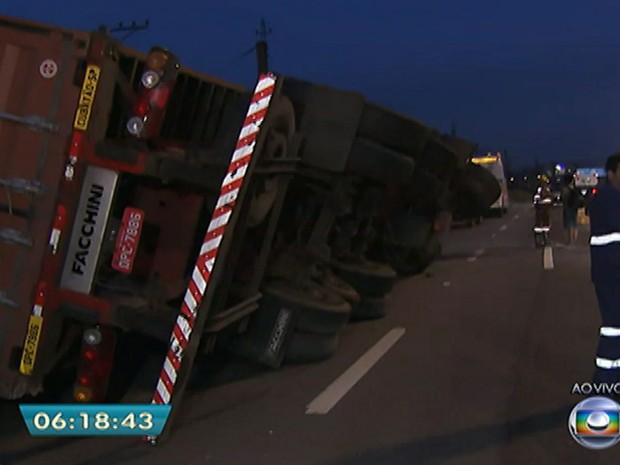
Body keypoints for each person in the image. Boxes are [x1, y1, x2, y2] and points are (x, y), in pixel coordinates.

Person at [588, 152, 620, 384]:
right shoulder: (607, 198)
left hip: (611, 271)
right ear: (611, 173)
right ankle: (605, 382)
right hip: (611, 275)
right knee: (614, 328)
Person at [561, 174, 580, 245]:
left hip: (568, 207)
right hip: (574, 207)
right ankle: (574, 239)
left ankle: (570, 240)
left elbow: (564, 199)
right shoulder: (575, 188)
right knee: (574, 223)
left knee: (569, 224)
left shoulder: (566, 189)